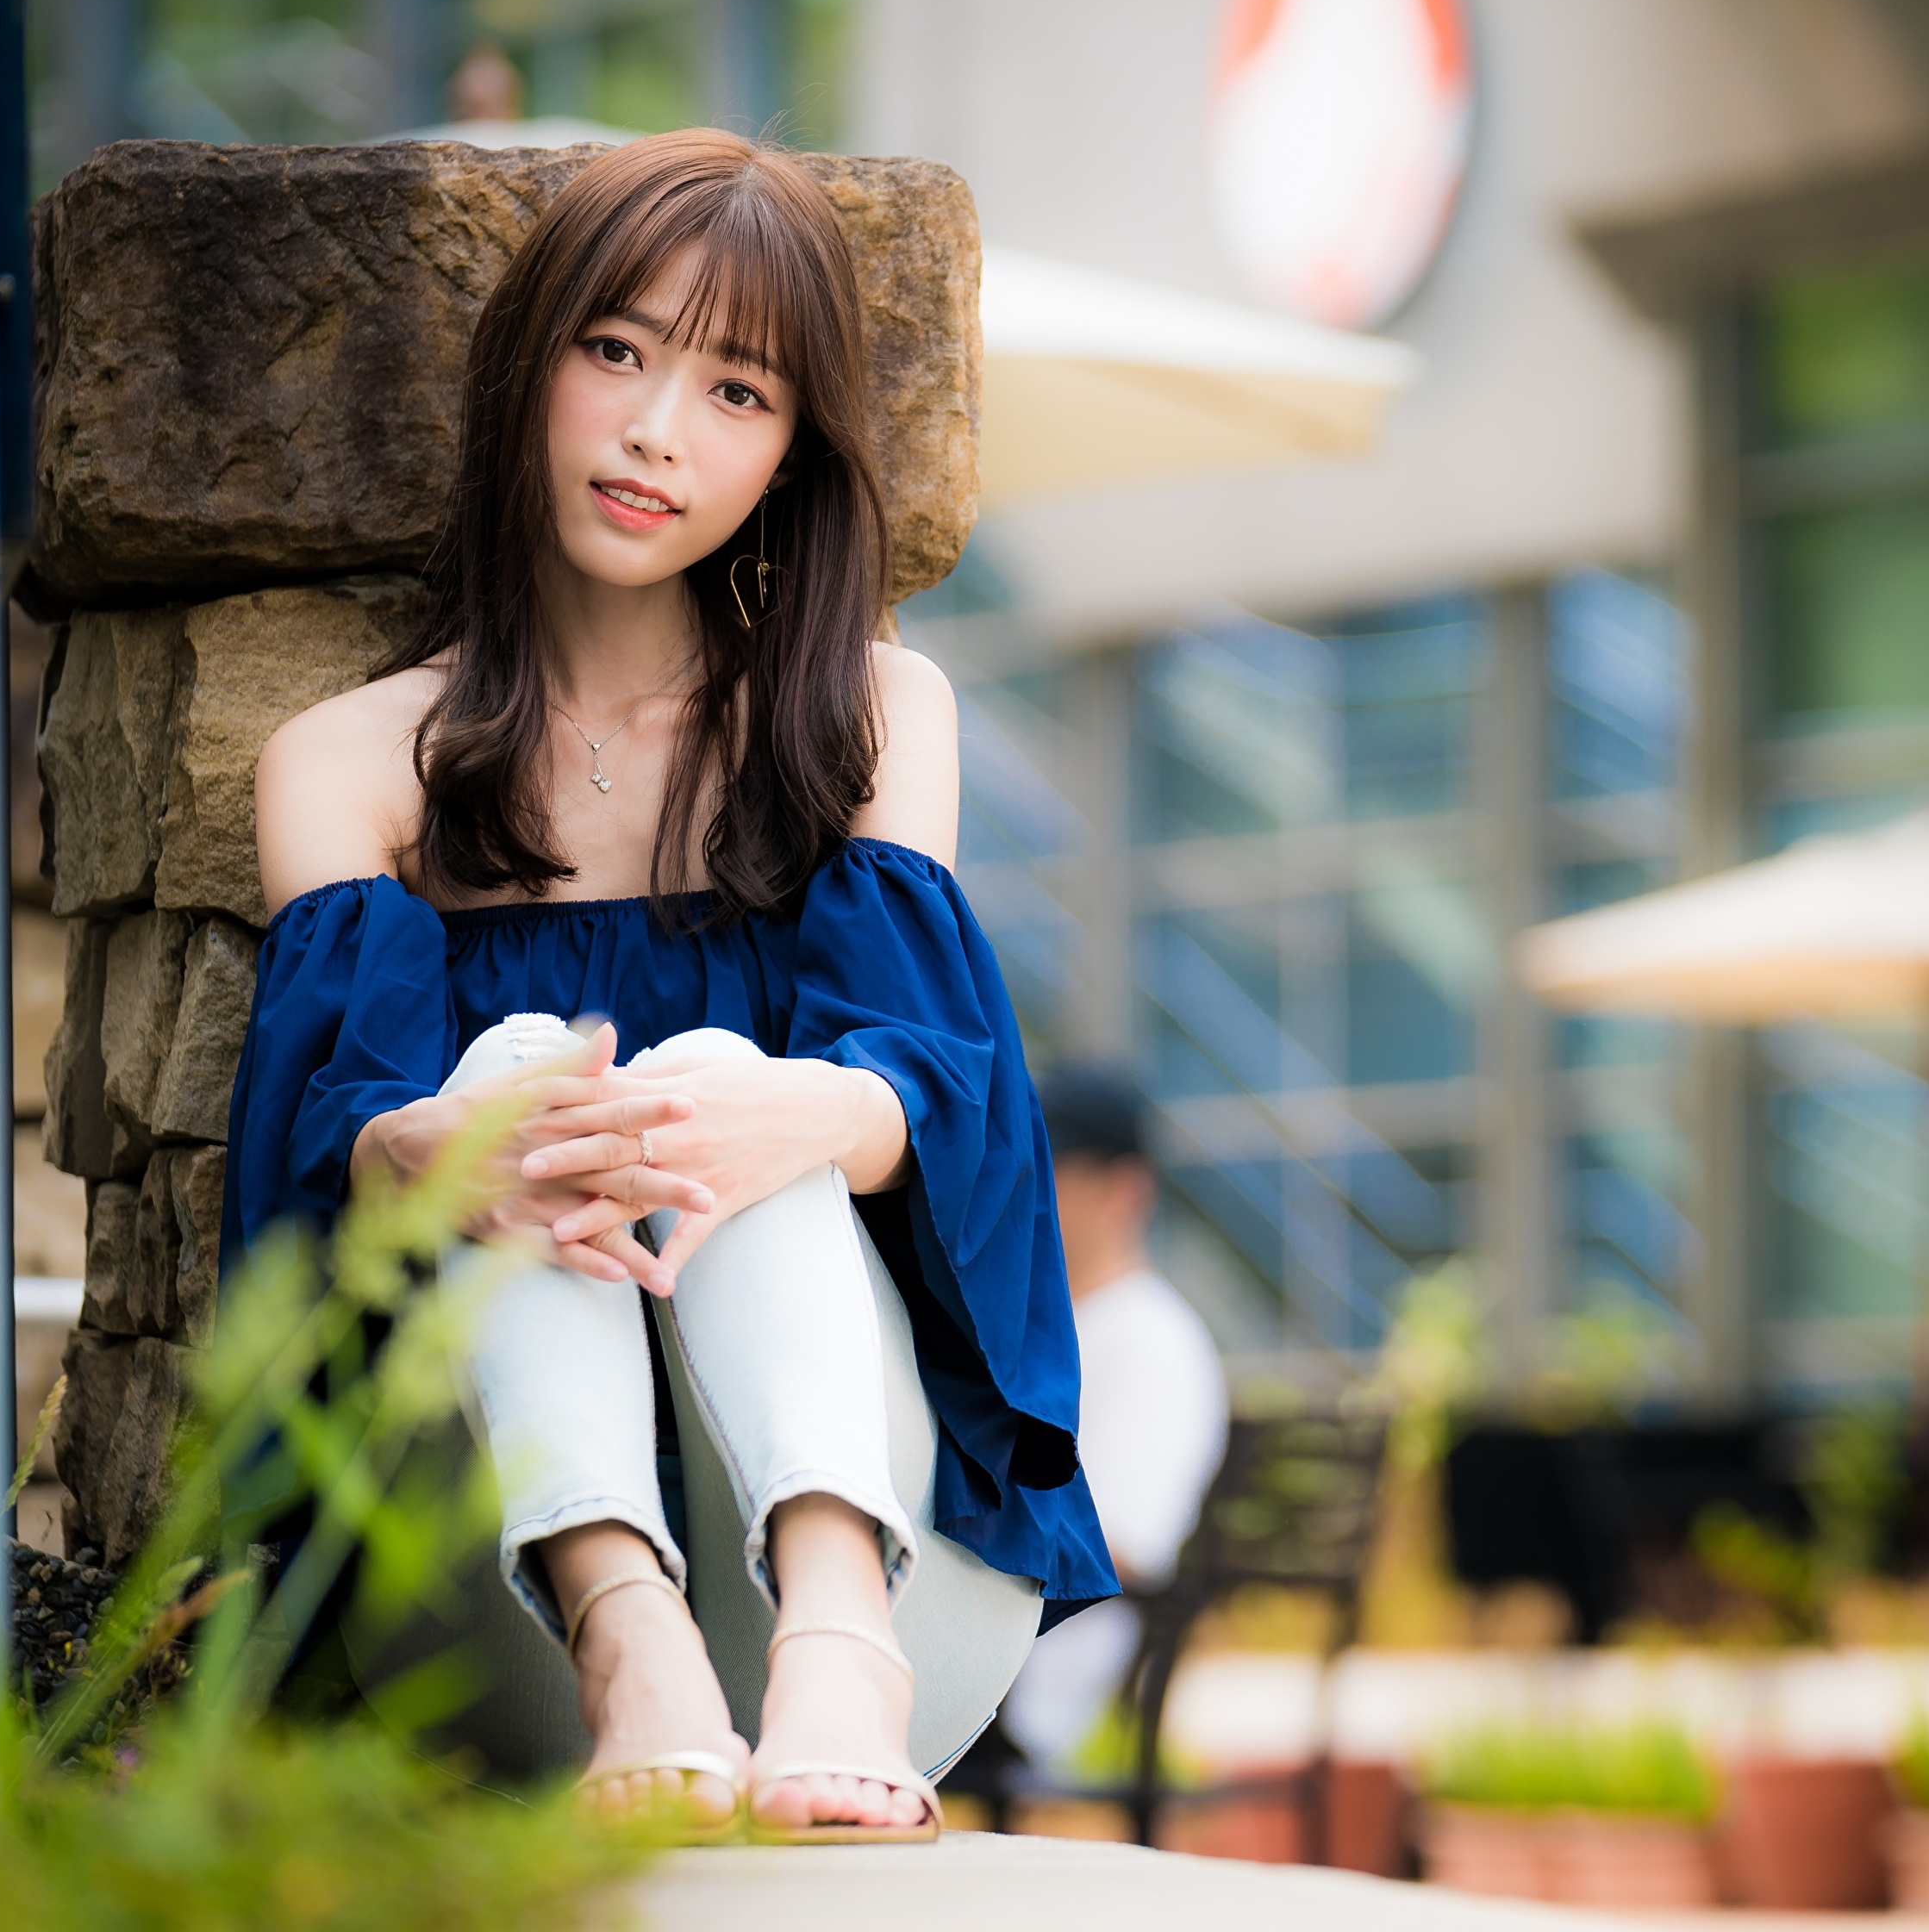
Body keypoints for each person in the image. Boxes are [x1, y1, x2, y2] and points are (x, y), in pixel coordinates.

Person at [224, 131, 1115, 1842]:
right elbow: (309, 1177)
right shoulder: (350, 764)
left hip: (873, 1534)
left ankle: (836, 1629)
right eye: (615, 353)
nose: (655, 433)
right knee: (519, 1073)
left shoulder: (870, 718)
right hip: (487, 1581)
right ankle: (627, 1633)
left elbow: (952, 1115)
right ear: (529, 372)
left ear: (791, 455)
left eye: (737, 393)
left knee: (719, 1076)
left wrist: (793, 1111)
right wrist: (440, 1150)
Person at [996, 1065, 1228, 1775]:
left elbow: (1123, 1546)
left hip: (1021, 1676)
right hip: (989, 1650)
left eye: (1050, 1173)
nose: (1022, 1194)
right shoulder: (1062, 1330)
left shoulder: (1152, 1341)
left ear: (1124, 1191)